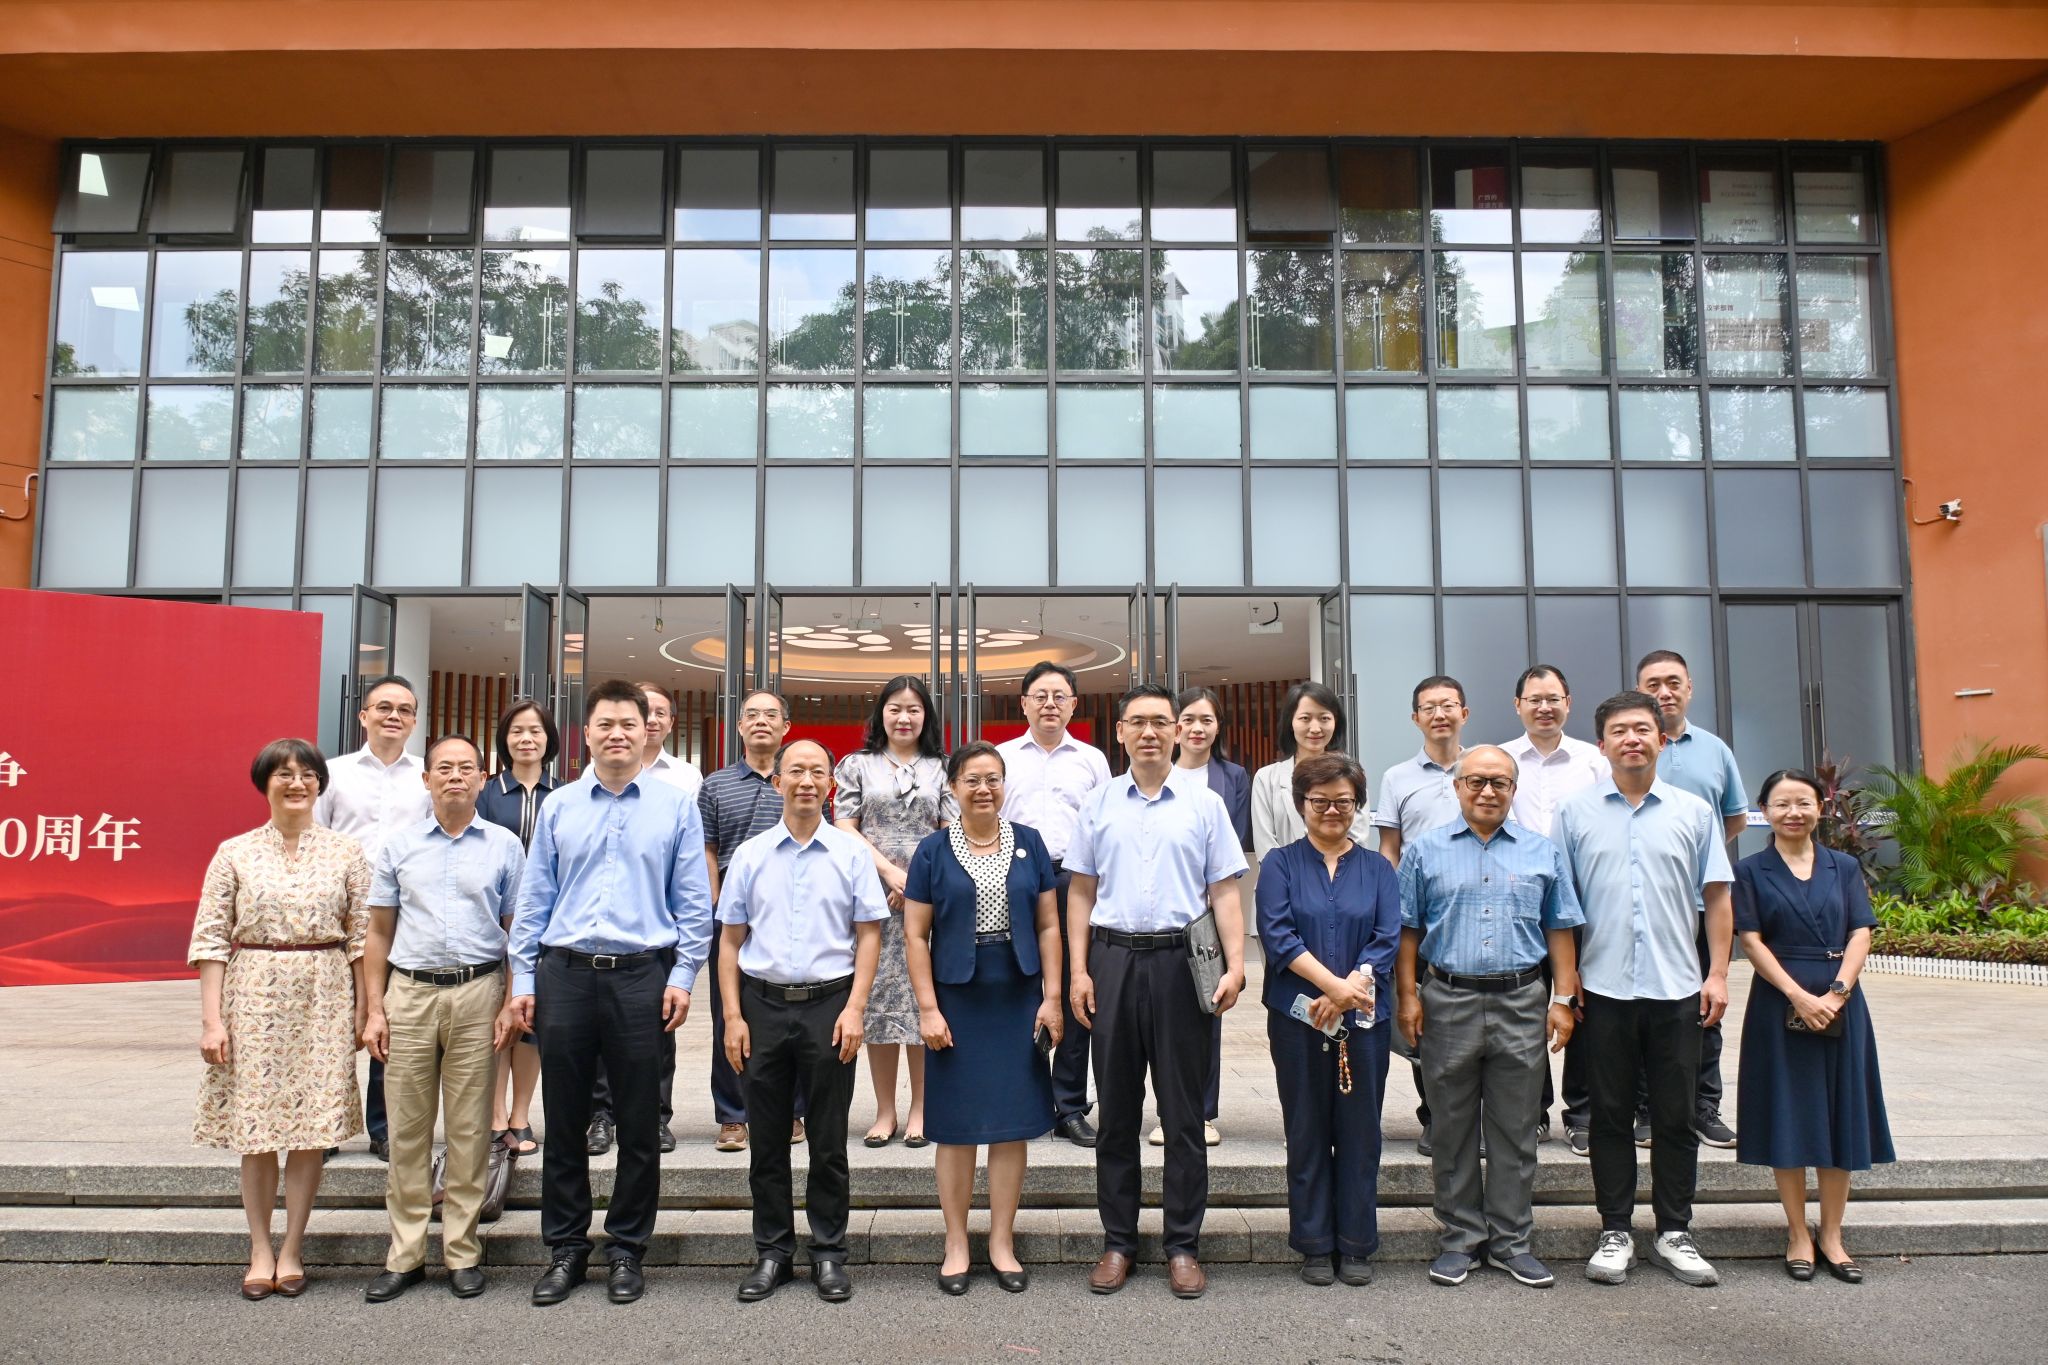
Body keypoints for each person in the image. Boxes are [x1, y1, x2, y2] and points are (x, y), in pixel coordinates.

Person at [496, 679, 715, 1308]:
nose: (617, 734)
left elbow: (693, 902)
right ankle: (566, 1247)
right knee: (564, 1118)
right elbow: (534, 900)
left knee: (639, 1122)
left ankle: (626, 1249)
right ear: (587, 734)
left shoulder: (676, 806)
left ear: (647, 731)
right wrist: (524, 980)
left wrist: (682, 976)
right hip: (564, 974)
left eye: (629, 724)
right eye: (605, 724)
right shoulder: (561, 806)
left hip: (642, 975)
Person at [1068, 683, 1249, 1301]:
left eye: (1160, 722)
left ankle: (1182, 1245)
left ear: (1176, 731)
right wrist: (1079, 971)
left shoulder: (1205, 804)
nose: (1149, 732)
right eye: (1137, 722)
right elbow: (1081, 892)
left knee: (1183, 1113)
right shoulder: (1098, 802)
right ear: (1119, 732)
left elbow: (1224, 890)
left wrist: (1235, 964)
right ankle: (1118, 1241)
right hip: (1112, 960)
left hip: (1181, 963)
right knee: (1117, 1113)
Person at [1555, 690, 1734, 1289]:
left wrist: (1717, 973)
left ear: (1661, 739)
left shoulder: (1694, 812)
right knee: (1607, 1115)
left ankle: (1675, 1230)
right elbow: (1561, 907)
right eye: (1619, 731)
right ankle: (1615, 1230)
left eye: (1641, 729)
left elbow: (1717, 896)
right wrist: (1566, 981)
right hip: (1602, 990)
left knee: (1676, 1115)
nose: (1631, 739)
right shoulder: (1574, 813)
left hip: (1677, 986)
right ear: (1601, 744)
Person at [1395, 745, 1584, 1290]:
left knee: (1516, 1129)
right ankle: (1460, 1239)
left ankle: (1511, 1242)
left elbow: (1560, 928)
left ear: (1514, 789)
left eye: (1499, 782)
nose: (1487, 791)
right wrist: (1407, 997)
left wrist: (1563, 1000)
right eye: (1475, 781)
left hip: (1521, 1001)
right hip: (1446, 1000)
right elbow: (1407, 931)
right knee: (1451, 1128)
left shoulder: (1541, 852)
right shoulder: (1424, 851)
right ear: (1457, 788)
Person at [189, 739, 369, 1300]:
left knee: (311, 1129)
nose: (297, 783)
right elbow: (211, 939)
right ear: (264, 783)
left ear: (320, 784)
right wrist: (213, 1021)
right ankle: (259, 1247)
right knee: (258, 1130)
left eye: (307, 774)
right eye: (284, 774)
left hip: (324, 996)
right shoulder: (235, 852)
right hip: (253, 996)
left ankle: (292, 1247)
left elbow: (362, 938)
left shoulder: (346, 852)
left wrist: (367, 1008)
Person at [718, 739, 888, 1304]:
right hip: (762, 1006)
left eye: (818, 772)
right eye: (796, 771)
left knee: (828, 1139)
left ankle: (829, 1252)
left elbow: (869, 933)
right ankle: (772, 1252)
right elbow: (730, 941)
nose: (807, 781)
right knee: (766, 1140)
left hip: (829, 1006)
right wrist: (733, 1016)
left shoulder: (850, 854)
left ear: (830, 785)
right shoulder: (750, 855)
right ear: (778, 782)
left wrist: (856, 1008)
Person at [359, 734, 526, 1303]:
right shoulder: (399, 846)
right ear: (426, 779)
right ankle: (404, 1254)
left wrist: (511, 1000)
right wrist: (374, 1008)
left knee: (469, 1128)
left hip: (479, 992)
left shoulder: (505, 846)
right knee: (407, 1129)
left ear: (482, 779)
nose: (456, 776)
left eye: (466, 768)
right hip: (409, 994)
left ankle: (461, 1249)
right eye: (444, 768)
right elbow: (378, 932)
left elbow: (517, 933)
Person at [902, 741, 1063, 1295]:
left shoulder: (1030, 843)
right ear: (953, 787)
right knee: (956, 1127)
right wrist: (927, 1008)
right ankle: (955, 1242)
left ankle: (1001, 1240)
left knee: (1011, 1125)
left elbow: (1048, 925)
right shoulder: (932, 851)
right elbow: (915, 936)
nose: (984, 789)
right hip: (956, 999)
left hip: (1017, 995)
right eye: (972, 779)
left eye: (993, 778)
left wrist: (1052, 996)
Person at [1734, 769, 1893, 1284]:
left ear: (1820, 808)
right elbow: (1751, 940)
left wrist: (1837, 993)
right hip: (1779, 1001)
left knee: (1841, 1112)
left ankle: (1833, 1235)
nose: (1793, 812)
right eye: (1781, 804)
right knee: (1789, 1112)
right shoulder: (1751, 870)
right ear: (1764, 811)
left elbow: (1861, 931)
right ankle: (1798, 1232)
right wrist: (1799, 996)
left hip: (1841, 1000)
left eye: (1803, 802)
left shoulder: (1842, 866)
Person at [1256, 753, 1399, 1288]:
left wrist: (1349, 990)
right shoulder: (1279, 864)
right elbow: (1278, 934)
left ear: (1357, 805)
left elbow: (1386, 937)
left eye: (1343, 801)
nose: (1332, 810)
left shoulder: (1378, 869)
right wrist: (1332, 988)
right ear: (1301, 805)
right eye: (1320, 801)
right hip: (1297, 1018)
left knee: (1361, 1132)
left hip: (1363, 1017)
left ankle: (1357, 1243)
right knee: (1306, 1128)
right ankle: (1315, 1244)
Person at [583, 679, 707, 1159]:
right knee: (597, 1037)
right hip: (598, 929)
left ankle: (655, 1115)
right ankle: (602, 1115)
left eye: (657, 713)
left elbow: (689, 861)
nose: (649, 721)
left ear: (668, 723)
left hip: (658, 926)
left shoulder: (686, 779)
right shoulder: (587, 781)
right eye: (643, 711)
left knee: (659, 1031)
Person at [834, 676, 957, 1149]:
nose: (904, 717)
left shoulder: (943, 767)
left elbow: (950, 830)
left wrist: (918, 882)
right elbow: (844, 825)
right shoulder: (857, 765)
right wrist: (889, 873)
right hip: (872, 894)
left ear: (926, 716)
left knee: (923, 1000)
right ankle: (885, 1110)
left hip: (930, 898)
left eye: (914, 709)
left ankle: (922, 1108)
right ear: (881, 714)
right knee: (880, 1004)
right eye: (895, 708)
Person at [314, 675, 432, 1161]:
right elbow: (315, 839)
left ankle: (384, 1128)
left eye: (404, 710)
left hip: (399, 920)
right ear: (363, 716)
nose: (393, 716)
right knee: (331, 1025)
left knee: (391, 1020)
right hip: (336, 919)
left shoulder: (426, 776)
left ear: (414, 721)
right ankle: (322, 1128)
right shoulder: (333, 773)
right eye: (384, 707)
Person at [996, 661, 1111, 1148]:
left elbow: (1105, 826)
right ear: (1023, 703)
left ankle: (1069, 1106)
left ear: (1073, 705)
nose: (1049, 704)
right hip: (1011, 878)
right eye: (1039, 695)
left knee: (1073, 990)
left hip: (1074, 880)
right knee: (1017, 984)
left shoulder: (1092, 760)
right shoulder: (1002, 757)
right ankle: (1021, 1100)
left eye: (1059, 696)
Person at [1637, 650, 1749, 1152]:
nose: (1664, 692)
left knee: (1704, 1009)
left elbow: (1735, 817)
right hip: (1640, 907)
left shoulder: (1715, 750)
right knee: (1639, 1010)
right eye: (1653, 684)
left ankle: (1703, 1107)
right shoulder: (1630, 744)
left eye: (1673, 682)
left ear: (1689, 688)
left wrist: (1700, 860)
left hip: (1700, 910)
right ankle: (1644, 1108)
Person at [1498, 665, 1609, 1158]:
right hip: (1516, 906)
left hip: (1580, 905)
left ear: (1569, 703)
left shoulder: (1593, 762)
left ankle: (1582, 1113)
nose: (1544, 707)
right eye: (1534, 699)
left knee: (1581, 1005)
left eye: (1553, 699)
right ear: (1517, 705)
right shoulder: (1501, 759)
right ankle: (1533, 1111)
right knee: (1524, 1007)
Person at [698, 688, 804, 1153]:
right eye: (752, 715)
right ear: (739, 726)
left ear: (786, 728)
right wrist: (717, 903)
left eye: (771, 715)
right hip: (733, 913)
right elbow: (707, 848)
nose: (761, 721)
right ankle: (733, 1115)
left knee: (792, 1014)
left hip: (790, 910)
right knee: (730, 1013)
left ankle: (791, 1110)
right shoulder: (716, 785)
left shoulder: (799, 779)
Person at [1373, 675, 1470, 1157]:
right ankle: (1434, 1115)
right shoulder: (1397, 778)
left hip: (1473, 915)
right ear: (1415, 718)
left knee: (1473, 1021)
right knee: (1422, 1022)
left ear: (1464, 713)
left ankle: (1473, 1118)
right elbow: (1389, 849)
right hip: (1422, 920)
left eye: (1448, 705)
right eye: (1429, 707)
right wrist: (1390, 911)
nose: (1439, 714)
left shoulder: (1483, 767)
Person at [1152, 685, 1251, 1149]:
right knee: (1157, 1024)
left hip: (1209, 915)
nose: (1196, 728)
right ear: (1175, 728)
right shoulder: (1154, 774)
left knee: (1208, 1013)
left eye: (1206, 720)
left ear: (1218, 727)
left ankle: (1203, 1112)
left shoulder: (1233, 778)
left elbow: (1234, 848)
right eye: (1188, 719)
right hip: (1162, 915)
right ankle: (1163, 1112)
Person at [477, 699, 561, 1160]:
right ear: (504, 740)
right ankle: (494, 1115)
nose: (526, 739)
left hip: (548, 924)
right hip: (492, 920)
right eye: (517, 731)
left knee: (531, 1022)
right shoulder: (488, 793)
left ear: (549, 739)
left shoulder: (564, 794)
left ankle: (520, 1114)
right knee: (497, 1016)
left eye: (535, 731)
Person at [1250, 680, 1373, 863]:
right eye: (1305, 718)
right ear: (1291, 722)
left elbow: (1358, 841)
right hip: (1283, 879)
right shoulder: (1266, 778)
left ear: (1336, 722)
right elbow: (1265, 847)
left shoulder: (1352, 776)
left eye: (1324, 718)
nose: (1315, 729)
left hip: (1342, 878)